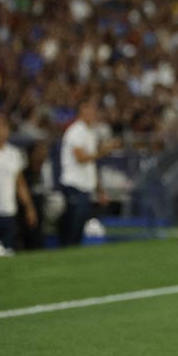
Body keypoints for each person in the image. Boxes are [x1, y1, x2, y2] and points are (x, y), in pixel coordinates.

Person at [58, 99, 116, 246]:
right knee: (73, 224)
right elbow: (81, 158)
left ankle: (71, 250)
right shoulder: (75, 131)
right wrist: (103, 151)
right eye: (88, 110)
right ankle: (66, 250)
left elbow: (91, 163)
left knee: (79, 223)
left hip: (85, 185)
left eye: (93, 110)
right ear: (81, 112)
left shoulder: (90, 132)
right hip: (74, 184)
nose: (92, 113)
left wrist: (100, 189)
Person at [0, 113, 38, 254]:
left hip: (8, 211)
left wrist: (29, 207)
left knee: (7, 251)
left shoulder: (13, 153)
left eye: (3, 126)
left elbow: (20, 183)